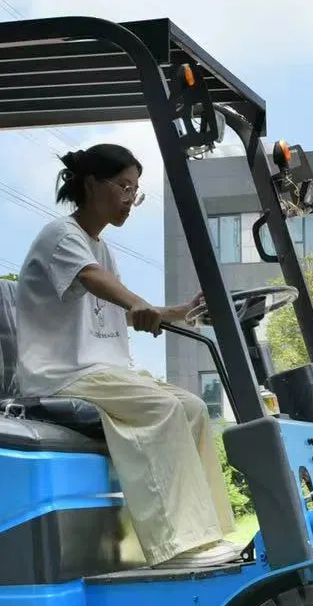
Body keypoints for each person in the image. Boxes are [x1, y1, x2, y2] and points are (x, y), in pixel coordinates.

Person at [15, 143, 238, 572]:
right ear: (91, 183)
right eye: (123, 186)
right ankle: (177, 546)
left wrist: (179, 312)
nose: (129, 200)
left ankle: (208, 533)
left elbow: (128, 306)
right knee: (162, 407)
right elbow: (95, 282)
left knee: (191, 407)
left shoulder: (103, 249)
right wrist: (138, 303)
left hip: (102, 371)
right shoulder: (61, 236)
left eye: (135, 191)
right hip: (61, 374)